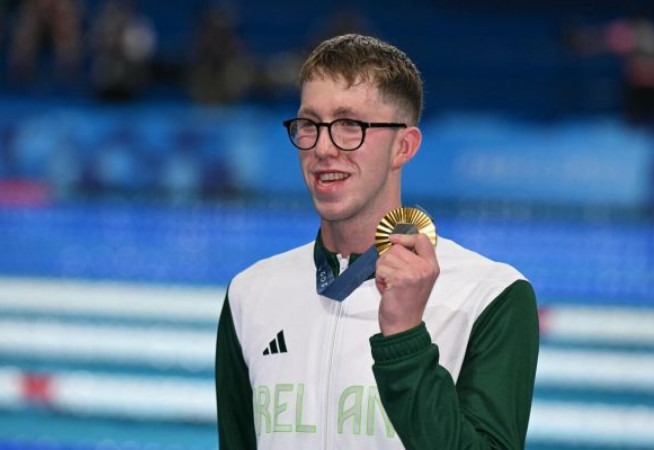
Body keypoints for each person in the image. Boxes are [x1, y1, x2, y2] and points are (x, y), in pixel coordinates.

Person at [215, 33, 539, 449]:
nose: (323, 147)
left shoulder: (491, 297)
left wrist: (404, 338)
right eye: (309, 124)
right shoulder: (250, 293)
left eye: (350, 126)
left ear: (404, 146)